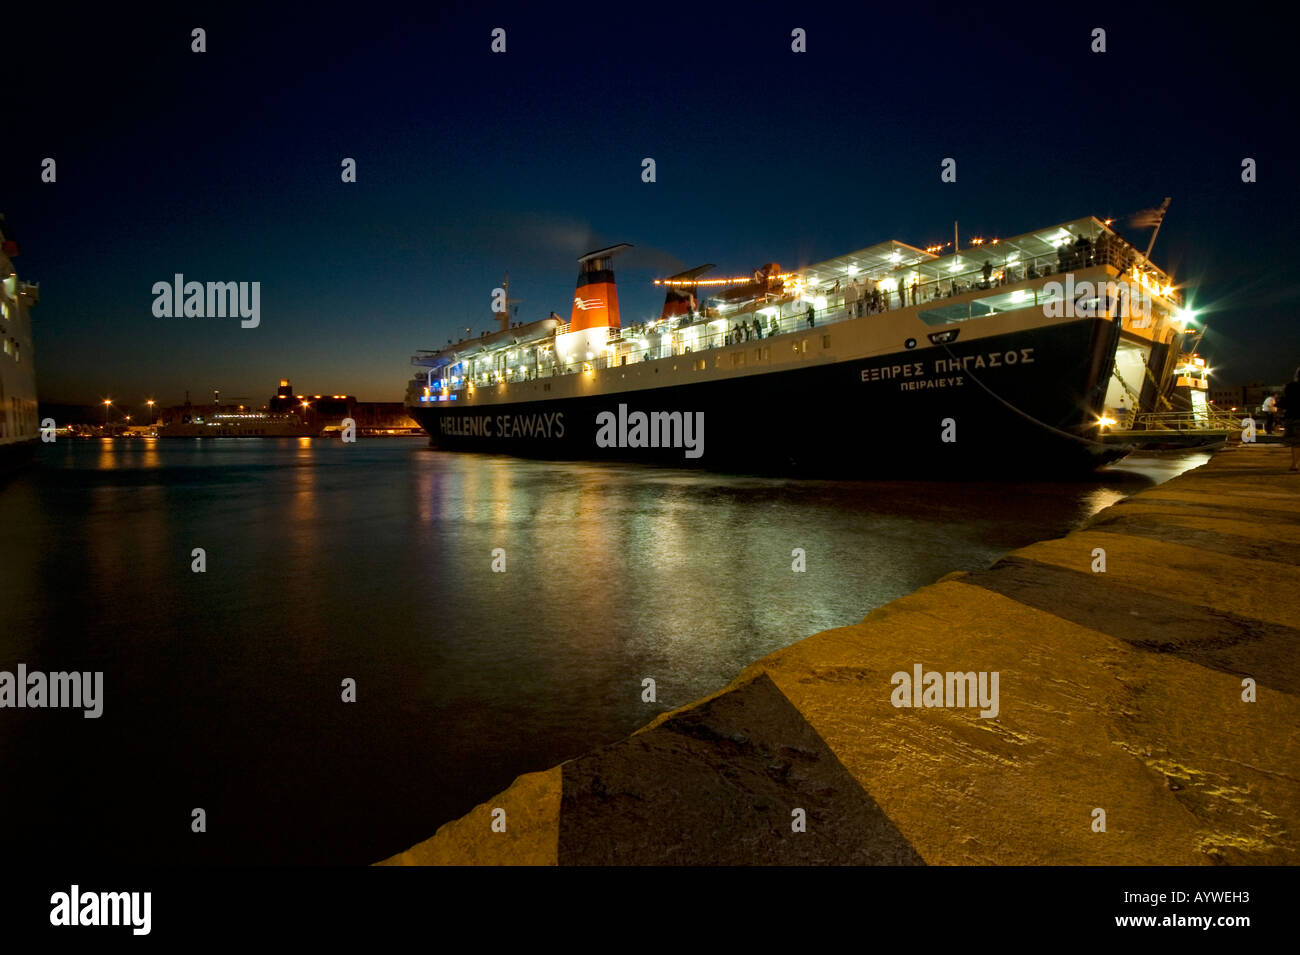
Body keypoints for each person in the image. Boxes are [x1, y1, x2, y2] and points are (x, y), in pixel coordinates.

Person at [1284, 368, 1300, 471]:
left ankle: (1295, 464)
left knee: (1296, 443)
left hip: (1294, 416)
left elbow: (1286, 401)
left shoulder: (1290, 387)